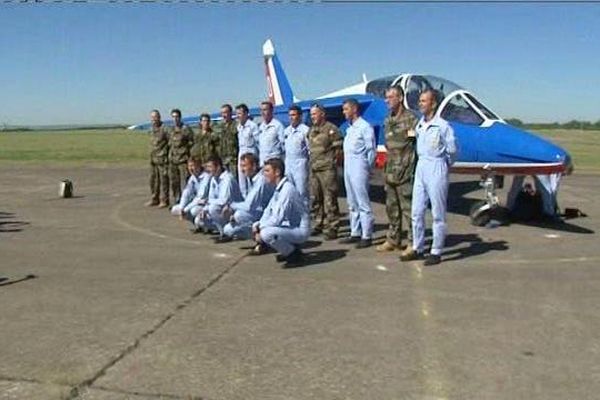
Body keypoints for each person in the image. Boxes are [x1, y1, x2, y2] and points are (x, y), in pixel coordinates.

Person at [401, 89, 457, 266]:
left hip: (437, 166)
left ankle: (436, 250)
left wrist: (444, 165)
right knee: (416, 211)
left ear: (433, 104)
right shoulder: (420, 125)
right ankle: (418, 247)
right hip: (421, 166)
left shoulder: (443, 126)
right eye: (420, 101)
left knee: (437, 212)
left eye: (424, 101)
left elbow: (453, 151)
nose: (420, 104)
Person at [377, 87, 418, 252]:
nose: (387, 100)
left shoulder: (410, 120)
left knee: (408, 209)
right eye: (386, 97)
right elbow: (388, 146)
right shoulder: (387, 120)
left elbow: (413, 143)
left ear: (400, 98)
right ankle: (393, 239)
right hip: (390, 171)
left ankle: (413, 242)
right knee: (391, 208)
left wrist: (408, 165)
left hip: (405, 172)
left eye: (391, 97)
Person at [251, 158, 310, 267]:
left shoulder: (287, 189)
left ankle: (294, 254)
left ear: (277, 172)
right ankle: (290, 249)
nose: (264, 174)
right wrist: (258, 224)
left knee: (267, 234)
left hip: (300, 230)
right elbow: (268, 211)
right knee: (263, 228)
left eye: (267, 171)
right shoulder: (279, 188)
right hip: (290, 226)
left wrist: (261, 229)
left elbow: (278, 218)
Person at [339, 98, 376, 249]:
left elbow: (371, 151)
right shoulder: (350, 128)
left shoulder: (364, 127)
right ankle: (355, 232)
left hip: (360, 166)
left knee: (362, 202)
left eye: (346, 109)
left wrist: (367, 168)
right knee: (351, 201)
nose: (344, 112)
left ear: (354, 109)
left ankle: (367, 235)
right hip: (348, 166)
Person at [220, 153, 274, 242]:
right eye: (241, 166)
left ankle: (263, 240)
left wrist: (230, 205)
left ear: (254, 166)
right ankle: (259, 238)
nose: (242, 169)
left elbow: (248, 206)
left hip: (267, 216)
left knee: (239, 215)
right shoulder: (251, 178)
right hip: (257, 213)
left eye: (244, 166)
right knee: (228, 230)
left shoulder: (261, 180)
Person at [307, 103, 343, 240]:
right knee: (316, 198)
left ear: (322, 114)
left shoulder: (331, 129)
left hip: (327, 170)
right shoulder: (311, 130)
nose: (313, 117)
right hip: (314, 169)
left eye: (315, 114)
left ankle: (332, 227)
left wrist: (333, 164)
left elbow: (338, 151)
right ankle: (318, 223)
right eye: (311, 115)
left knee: (330, 199)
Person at [195, 156, 242, 238]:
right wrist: (204, 209)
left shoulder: (227, 178)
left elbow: (224, 200)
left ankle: (225, 233)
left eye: (210, 167)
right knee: (199, 220)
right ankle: (224, 229)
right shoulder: (213, 178)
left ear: (218, 167)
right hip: (222, 209)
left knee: (213, 208)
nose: (208, 170)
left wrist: (207, 201)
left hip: (232, 210)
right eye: (207, 167)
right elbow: (211, 197)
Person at [170, 157, 211, 226]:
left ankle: (206, 224)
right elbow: (186, 193)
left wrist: (185, 209)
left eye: (193, 166)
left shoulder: (206, 177)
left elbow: (200, 197)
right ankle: (196, 222)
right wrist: (182, 208)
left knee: (193, 211)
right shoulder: (192, 177)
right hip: (197, 203)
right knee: (175, 210)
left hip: (206, 204)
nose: (190, 168)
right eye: (189, 166)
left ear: (198, 166)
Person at [283, 104, 310, 204]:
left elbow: (309, 150)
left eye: (294, 115)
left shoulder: (305, 131)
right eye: (290, 115)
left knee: (301, 192)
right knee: (290, 191)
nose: (291, 117)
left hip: (301, 164)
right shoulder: (286, 131)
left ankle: (304, 217)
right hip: (288, 163)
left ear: (300, 116)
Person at [168, 108, 194, 204]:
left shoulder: (186, 129)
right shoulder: (170, 129)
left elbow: (192, 142)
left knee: (186, 182)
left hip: (183, 160)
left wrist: (189, 157)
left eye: (177, 117)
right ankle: (176, 200)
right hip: (173, 160)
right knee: (174, 182)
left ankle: (187, 200)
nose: (175, 119)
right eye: (173, 117)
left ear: (180, 117)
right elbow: (169, 144)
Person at [146, 109, 170, 208]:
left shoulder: (165, 129)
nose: (154, 119)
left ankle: (164, 200)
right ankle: (154, 198)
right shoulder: (151, 130)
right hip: (153, 159)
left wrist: (167, 153)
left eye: (155, 117)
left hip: (162, 159)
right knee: (153, 180)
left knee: (164, 180)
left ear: (159, 117)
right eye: (152, 118)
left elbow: (170, 142)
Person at [236, 103, 259, 196]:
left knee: (251, 179)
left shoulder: (252, 126)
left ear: (246, 114)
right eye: (237, 114)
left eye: (240, 113)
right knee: (242, 179)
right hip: (241, 152)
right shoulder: (239, 127)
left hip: (250, 152)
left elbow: (258, 142)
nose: (238, 116)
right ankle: (244, 198)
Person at [257, 101, 285, 166]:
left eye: (265, 110)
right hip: (263, 162)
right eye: (261, 110)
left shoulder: (278, 126)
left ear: (271, 111)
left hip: (274, 163)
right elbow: (258, 145)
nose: (262, 113)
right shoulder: (261, 126)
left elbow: (283, 146)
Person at [215, 104, 239, 178]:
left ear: (231, 113)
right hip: (223, 160)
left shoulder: (236, 125)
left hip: (233, 160)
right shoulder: (220, 127)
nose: (224, 115)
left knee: (234, 181)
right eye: (222, 113)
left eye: (225, 112)